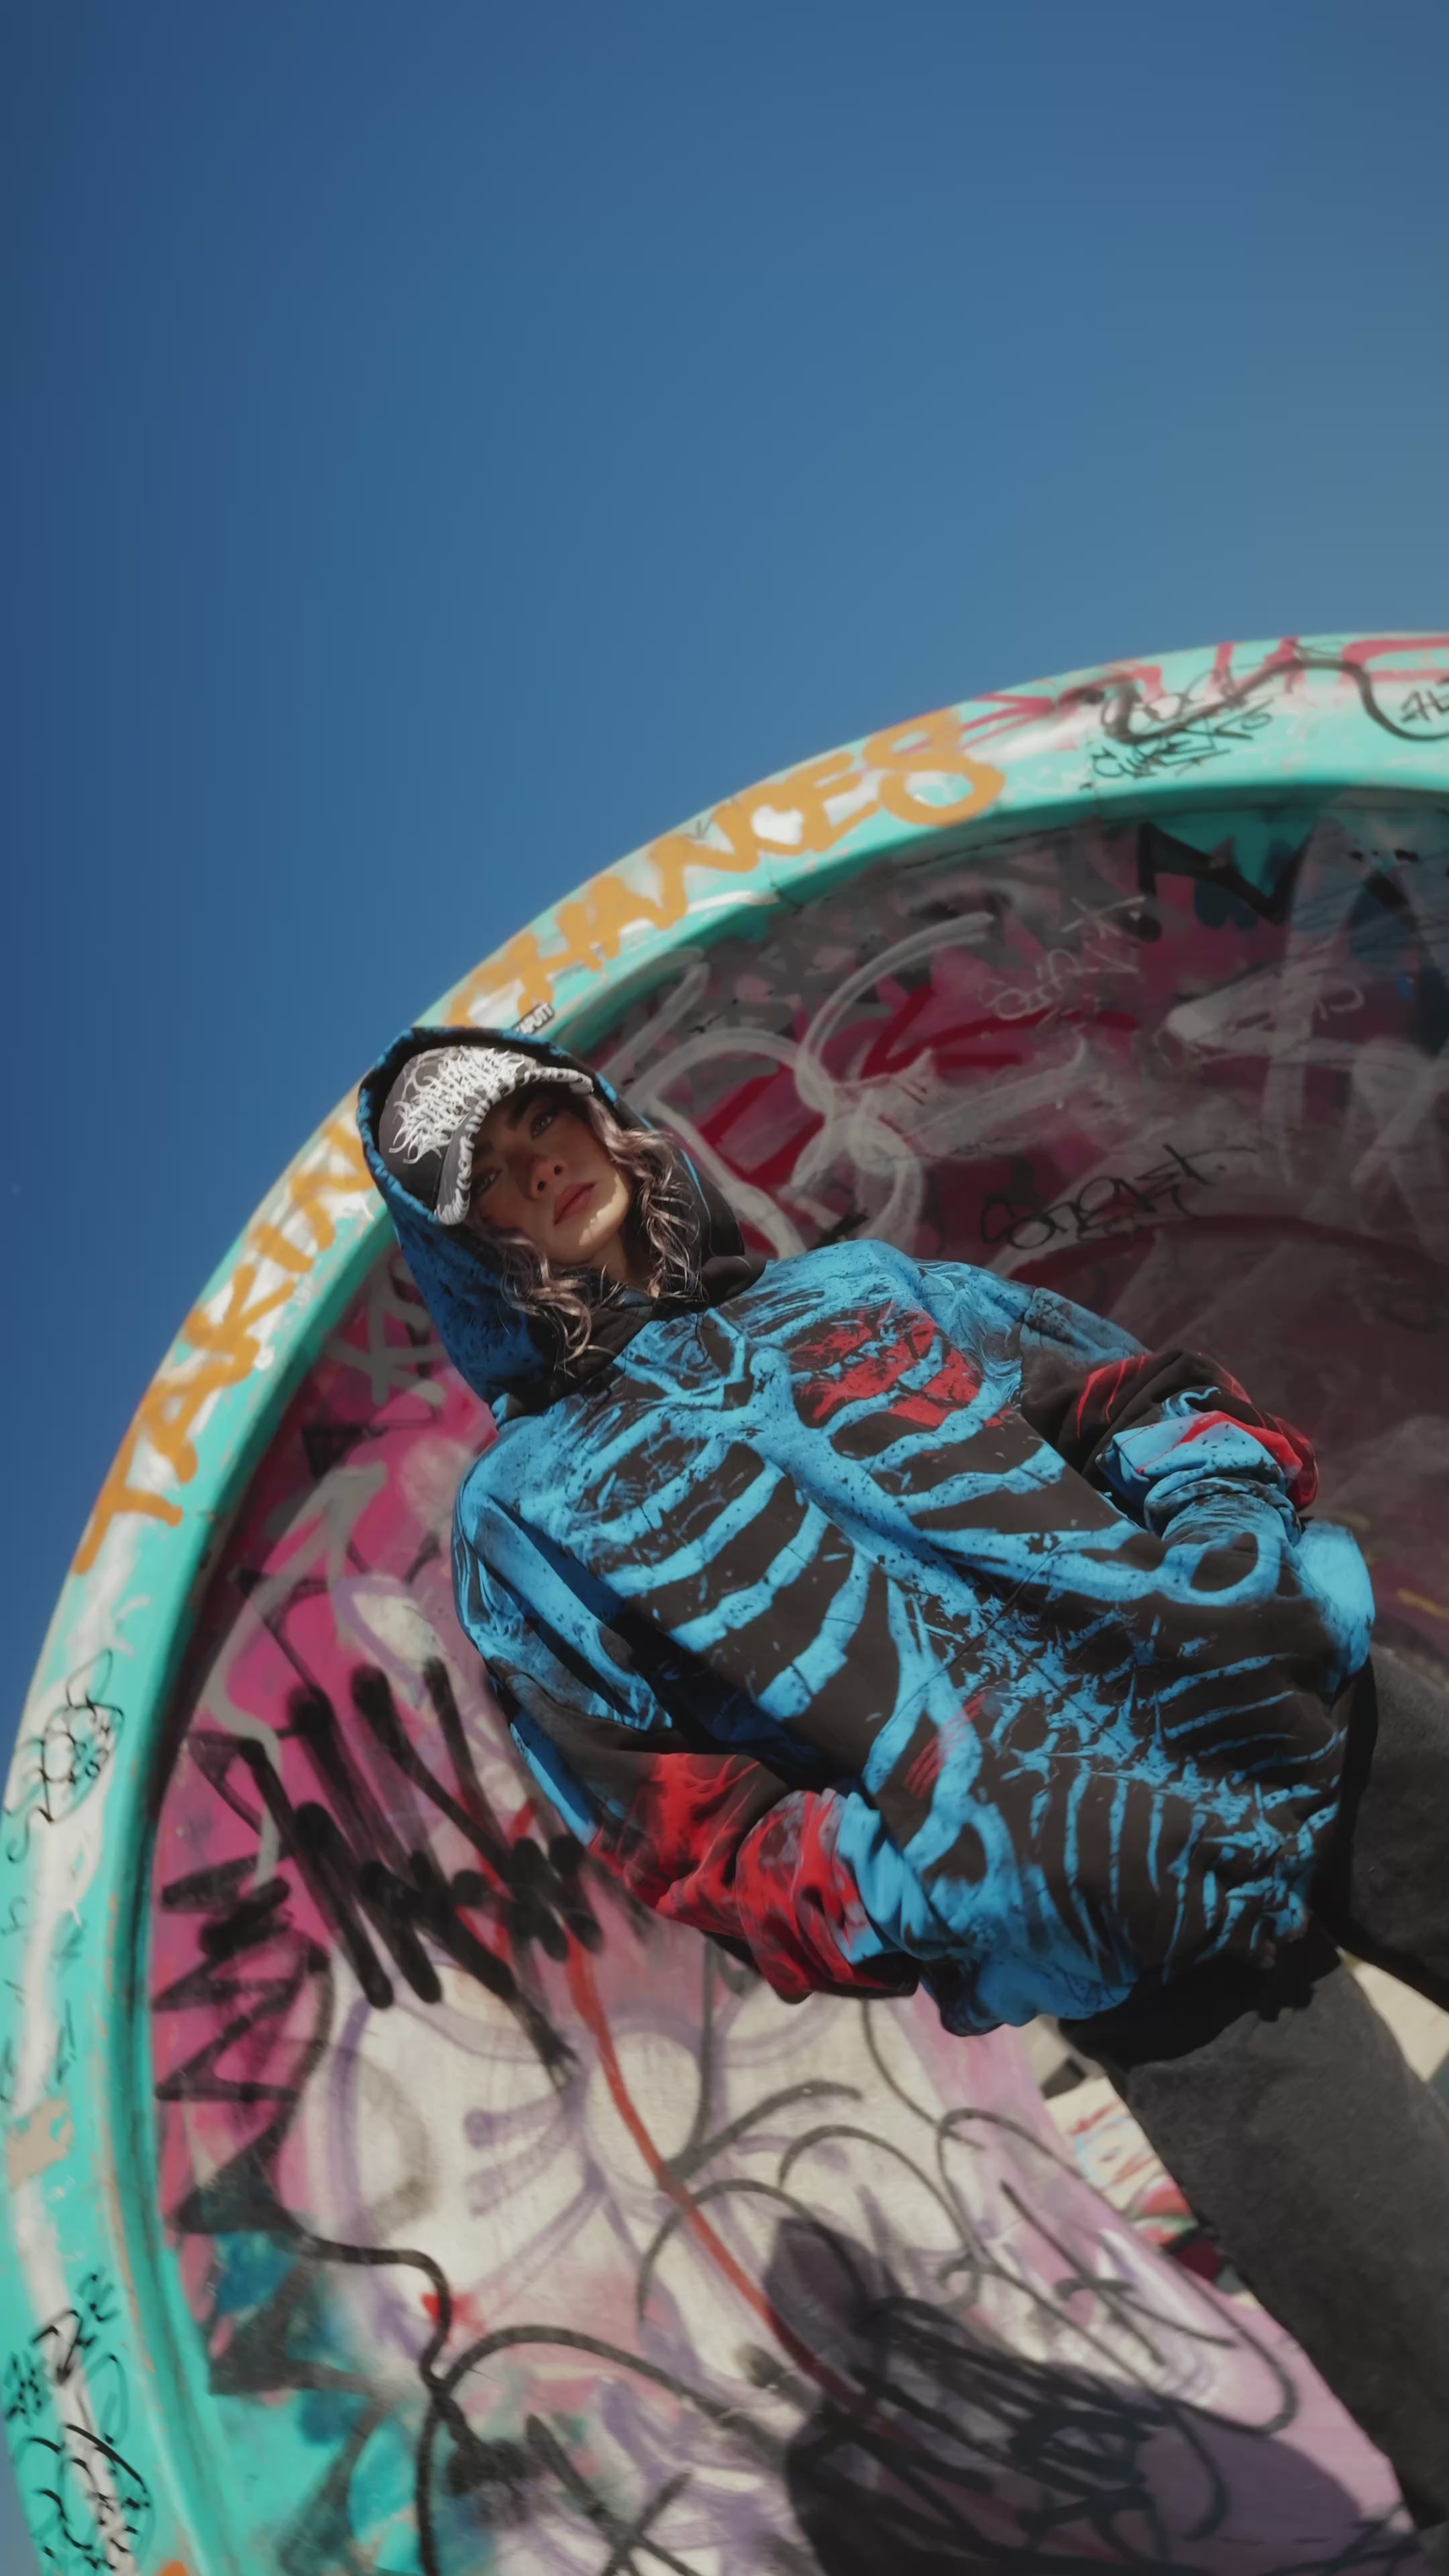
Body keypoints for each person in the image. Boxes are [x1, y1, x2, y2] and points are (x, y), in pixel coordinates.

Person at [359, 1022, 1449, 2559]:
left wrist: (1240, 1556)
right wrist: (955, 1875)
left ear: (611, 1126)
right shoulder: (528, 1522)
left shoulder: (858, 1294)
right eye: (489, 1177)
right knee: (1429, 2347)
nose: (542, 1168)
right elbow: (696, 1839)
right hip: (1125, 1931)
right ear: (463, 1248)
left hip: (1329, 1734)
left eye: (549, 1121)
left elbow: (1134, 1400)